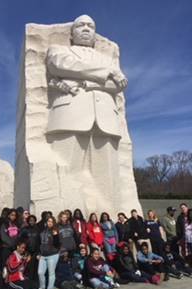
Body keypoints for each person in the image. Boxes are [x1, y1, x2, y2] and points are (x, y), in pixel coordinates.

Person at [46, 14, 129, 212]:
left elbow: (118, 85)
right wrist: (107, 71)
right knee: (65, 172)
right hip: (69, 115)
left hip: (106, 119)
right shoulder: (59, 50)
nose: (85, 29)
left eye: (90, 26)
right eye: (80, 25)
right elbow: (61, 65)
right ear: (72, 33)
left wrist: (87, 82)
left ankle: (111, 225)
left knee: (108, 178)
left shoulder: (107, 58)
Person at [36, 216, 60, 289]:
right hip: (43, 255)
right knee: (40, 272)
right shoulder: (42, 231)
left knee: (51, 273)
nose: (50, 223)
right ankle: (42, 288)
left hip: (52, 255)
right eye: (48, 221)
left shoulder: (55, 231)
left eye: (51, 221)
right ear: (46, 222)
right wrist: (39, 253)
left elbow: (58, 244)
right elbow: (39, 243)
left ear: (53, 223)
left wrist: (56, 235)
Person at [19, 215, 40, 289]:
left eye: (33, 220)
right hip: (28, 253)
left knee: (36, 269)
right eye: (30, 220)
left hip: (36, 252)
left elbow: (40, 241)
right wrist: (23, 251)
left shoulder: (38, 229)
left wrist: (39, 252)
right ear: (28, 221)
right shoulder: (25, 230)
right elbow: (20, 239)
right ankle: (28, 285)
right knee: (28, 269)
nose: (32, 222)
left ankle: (36, 285)